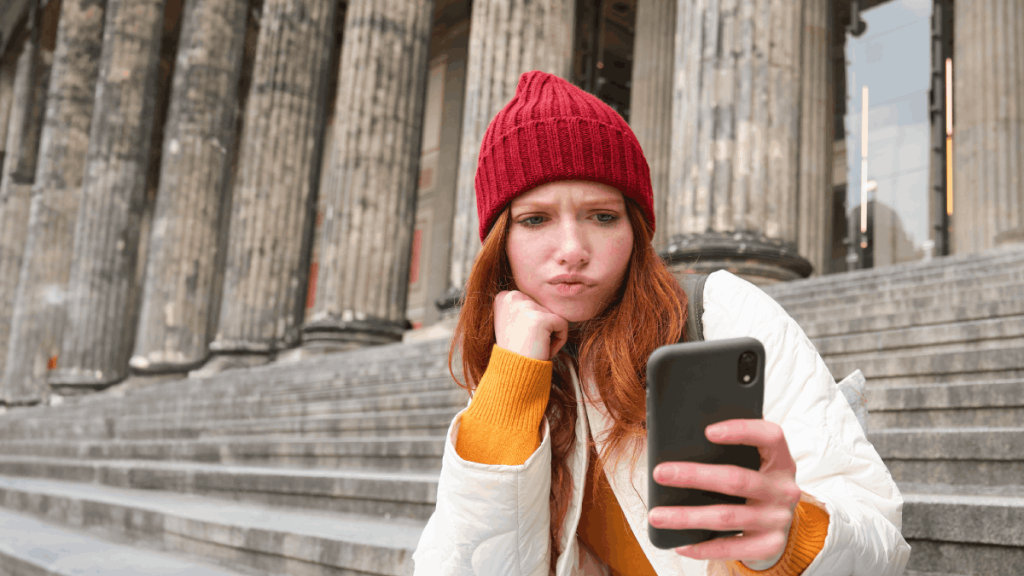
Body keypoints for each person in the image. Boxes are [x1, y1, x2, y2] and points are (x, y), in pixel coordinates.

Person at [412, 71, 910, 576]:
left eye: (602, 216)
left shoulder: (719, 310)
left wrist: (791, 537)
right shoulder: (517, 356)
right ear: (501, 241)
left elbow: (880, 541)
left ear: (636, 228)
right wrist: (511, 379)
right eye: (535, 219)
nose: (571, 251)